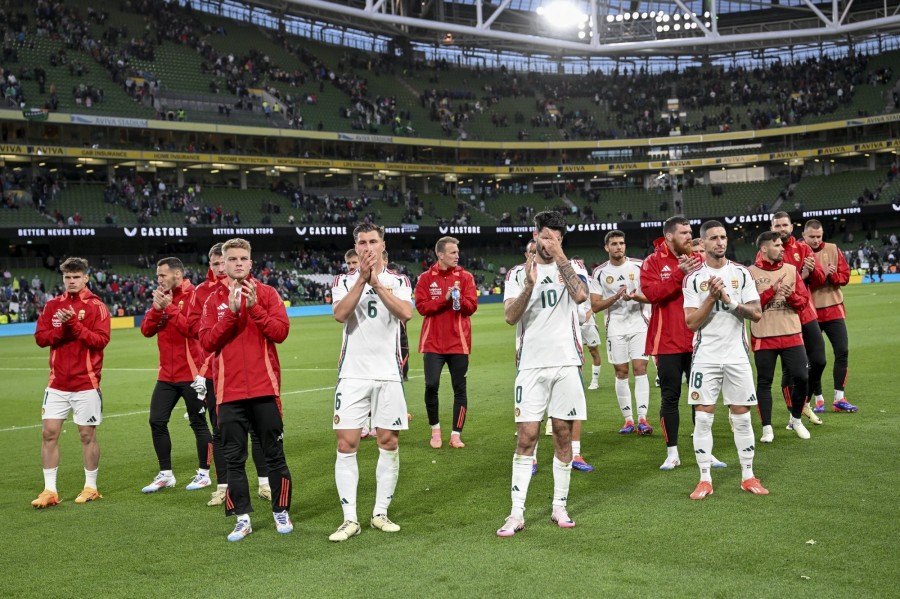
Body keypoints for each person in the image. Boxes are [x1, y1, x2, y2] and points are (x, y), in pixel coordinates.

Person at [497, 211, 589, 537]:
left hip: (566, 364)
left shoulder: (574, 268)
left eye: (556, 237)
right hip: (531, 366)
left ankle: (559, 506)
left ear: (562, 240)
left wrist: (561, 258)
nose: (549, 242)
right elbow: (510, 317)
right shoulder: (517, 273)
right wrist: (528, 287)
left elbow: (580, 296)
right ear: (535, 235)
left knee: (563, 435)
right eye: (545, 236)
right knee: (526, 437)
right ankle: (516, 513)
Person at [199, 238, 293, 542]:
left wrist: (254, 309)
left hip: (265, 389)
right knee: (233, 458)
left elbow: (280, 333)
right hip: (229, 393)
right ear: (223, 264)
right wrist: (233, 312)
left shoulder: (267, 293)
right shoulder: (213, 300)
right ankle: (242, 518)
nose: (238, 263)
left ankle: (281, 510)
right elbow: (208, 342)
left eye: (243, 259)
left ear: (251, 263)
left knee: (274, 454)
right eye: (233, 259)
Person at [328, 224, 412, 542]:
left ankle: (380, 513)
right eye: (361, 242)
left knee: (388, 443)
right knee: (346, 444)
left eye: (372, 241)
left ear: (382, 245)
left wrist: (376, 283)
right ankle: (350, 519)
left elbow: (405, 312)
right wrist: (362, 280)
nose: (367, 247)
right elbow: (340, 314)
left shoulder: (399, 281)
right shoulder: (343, 281)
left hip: (388, 375)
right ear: (356, 245)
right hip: (352, 375)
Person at [682, 221, 768, 499]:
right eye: (713, 238)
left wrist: (730, 302)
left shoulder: (741, 274)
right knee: (703, 417)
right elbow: (691, 323)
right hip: (705, 356)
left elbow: (756, 314)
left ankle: (748, 475)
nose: (720, 242)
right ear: (703, 244)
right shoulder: (693, 279)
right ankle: (704, 478)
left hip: (736, 355)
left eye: (723, 237)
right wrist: (711, 298)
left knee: (741, 417)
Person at [188, 243, 271, 506]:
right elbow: (196, 330)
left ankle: (265, 483)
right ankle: (223, 487)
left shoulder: (257, 290)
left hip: (251, 375)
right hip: (215, 372)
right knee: (223, 434)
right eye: (217, 263)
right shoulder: (206, 294)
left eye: (223, 263)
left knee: (258, 433)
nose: (222, 267)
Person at [32, 257, 110, 508]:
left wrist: (74, 325)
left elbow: (100, 340)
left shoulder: (97, 306)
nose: (72, 281)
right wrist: (64, 329)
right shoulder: (53, 305)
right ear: (63, 279)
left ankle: (91, 487)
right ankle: (50, 490)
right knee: (48, 433)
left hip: (86, 383)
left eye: (76, 277)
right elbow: (41, 338)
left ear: (86, 278)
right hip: (56, 384)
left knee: (87, 435)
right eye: (68, 277)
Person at [139, 257, 214, 493]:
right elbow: (146, 331)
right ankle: (166, 474)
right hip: (166, 374)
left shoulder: (194, 296)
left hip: (193, 374)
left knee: (198, 423)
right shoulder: (162, 298)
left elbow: (193, 331)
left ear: (177, 275)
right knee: (156, 420)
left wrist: (169, 308)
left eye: (162, 275)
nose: (158, 280)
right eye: (158, 276)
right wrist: (156, 309)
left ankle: (204, 474)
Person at [640, 216, 702, 470]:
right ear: (669, 236)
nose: (689, 236)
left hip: (698, 339)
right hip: (667, 341)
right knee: (670, 397)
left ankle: (703, 451)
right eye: (684, 233)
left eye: (690, 232)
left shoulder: (699, 259)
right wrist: (679, 274)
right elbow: (652, 294)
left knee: (701, 397)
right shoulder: (652, 262)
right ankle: (672, 453)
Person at [764, 212, 826, 442]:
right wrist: (800, 275)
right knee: (789, 370)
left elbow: (819, 280)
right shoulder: (768, 250)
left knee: (819, 359)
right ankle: (795, 415)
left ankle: (803, 403)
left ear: (792, 226)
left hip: (805, 311)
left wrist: (811, 272)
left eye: (784, 224)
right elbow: (768, 282)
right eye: (777, 225)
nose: (781, 228)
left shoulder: (803, 248)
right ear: (772, 226)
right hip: (783, 315)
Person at [414, 236, 477, 449]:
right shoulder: (424, 278)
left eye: (457, 252)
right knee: (431, 385)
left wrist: (459, 300)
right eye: (452, 252)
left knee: (460, 388)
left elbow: (472, 307)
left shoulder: (466, 277)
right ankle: (435, 430)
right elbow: (422, 308)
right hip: (433, 343)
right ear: (440, 255)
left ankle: (456, 434)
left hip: (458, 342)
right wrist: (445, 299)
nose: (457, 255)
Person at [749, 232, 812, 440]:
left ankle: (795, 419)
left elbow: (803, 302)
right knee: (764, 381)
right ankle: (767, 428)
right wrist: (771, 291)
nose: (782, 248)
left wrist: (790, 295)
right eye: (777, 245)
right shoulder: (750, 273)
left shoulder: (791, 270)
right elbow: (749, 306)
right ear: (764, 249)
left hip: (791, 333)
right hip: (764, 334)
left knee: (802, 377)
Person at [590, 230, 653, 436]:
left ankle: (643, 418)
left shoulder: (639, 265)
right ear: (607, 248)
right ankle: (628, 420)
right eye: (614, 244)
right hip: (615, 327)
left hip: (639, 324)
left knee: (640, 368)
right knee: (621, 372)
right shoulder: (599, 272)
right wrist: (616, 297)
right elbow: (596, 305)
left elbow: (652, 294)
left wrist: (636, 297)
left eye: (622, 243)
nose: (619, 247)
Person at [803, 219, 857, 412]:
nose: (816, 240)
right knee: (815, 358)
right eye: (812, 237)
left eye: (819, 236)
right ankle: (818, 399)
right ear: (804, 236)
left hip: (834, 308)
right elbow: (799, 283)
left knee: (842, 351)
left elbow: (845, 276)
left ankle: (839, 398)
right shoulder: (799, 252)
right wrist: (822, 274)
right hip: (810, 313)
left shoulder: (834, 249)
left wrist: (832, 276)